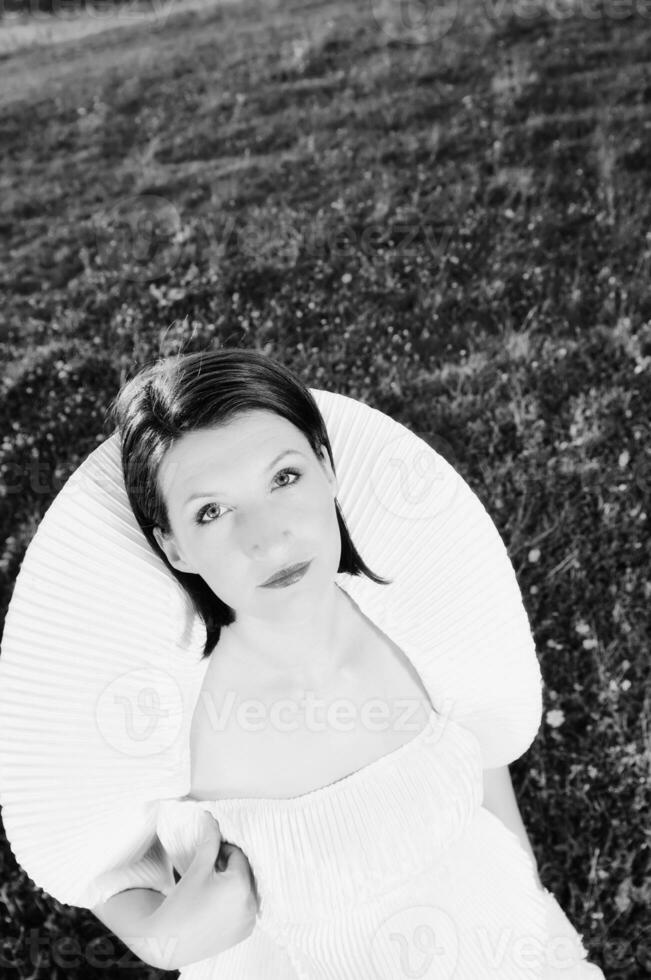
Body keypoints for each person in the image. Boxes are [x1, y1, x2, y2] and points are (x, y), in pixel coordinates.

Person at [0, 347, 607, 979]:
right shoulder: (165, 728)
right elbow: (93, 858)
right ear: (174, 546)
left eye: (284, 478)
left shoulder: (420, 625)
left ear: (326, 467)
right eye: (212, 510)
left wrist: (529, 894)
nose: (269, 537)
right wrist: (158, 939)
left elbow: (482, 750)